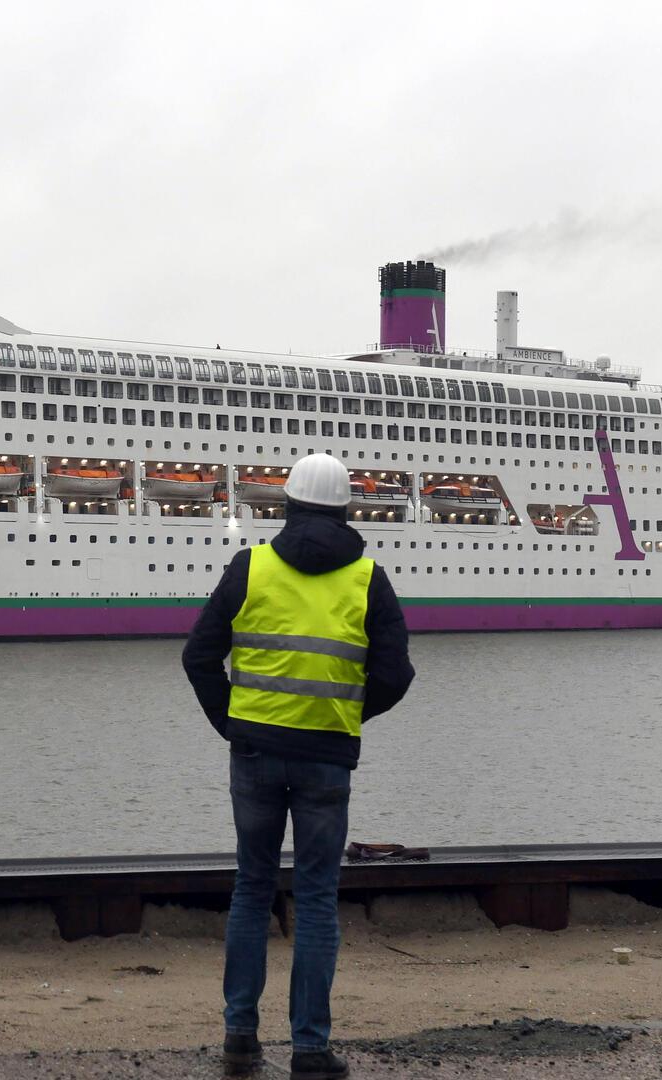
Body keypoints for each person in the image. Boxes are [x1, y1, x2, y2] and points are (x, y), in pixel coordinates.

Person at [182, 452, 415, 1078]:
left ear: (285, 503)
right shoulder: (368, 578)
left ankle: (239, 1040)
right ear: (346, 509)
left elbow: (198, 657)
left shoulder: (250, 566)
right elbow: (396, 675)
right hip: (326, 762)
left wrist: (234, 725)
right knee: (315, 900)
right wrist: (342, 719)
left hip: (254, 753)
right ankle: (310, 1050)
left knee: (252, 891)